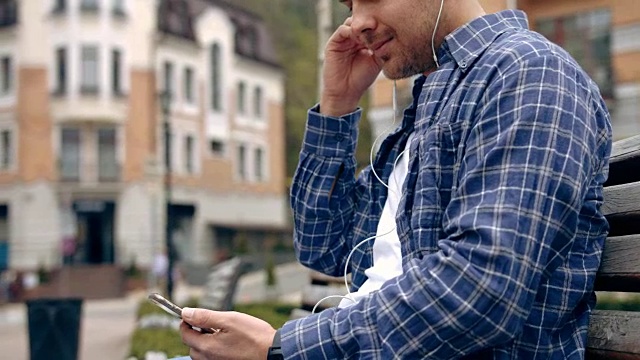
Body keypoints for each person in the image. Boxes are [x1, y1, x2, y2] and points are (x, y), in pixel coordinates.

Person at [176, 0, 612, 358]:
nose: (358, 22)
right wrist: (337, 104)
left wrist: (282, 348)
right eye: (350, 4)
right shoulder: (427, 112)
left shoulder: (527, 73)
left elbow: (482, 290)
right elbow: (322, 248)